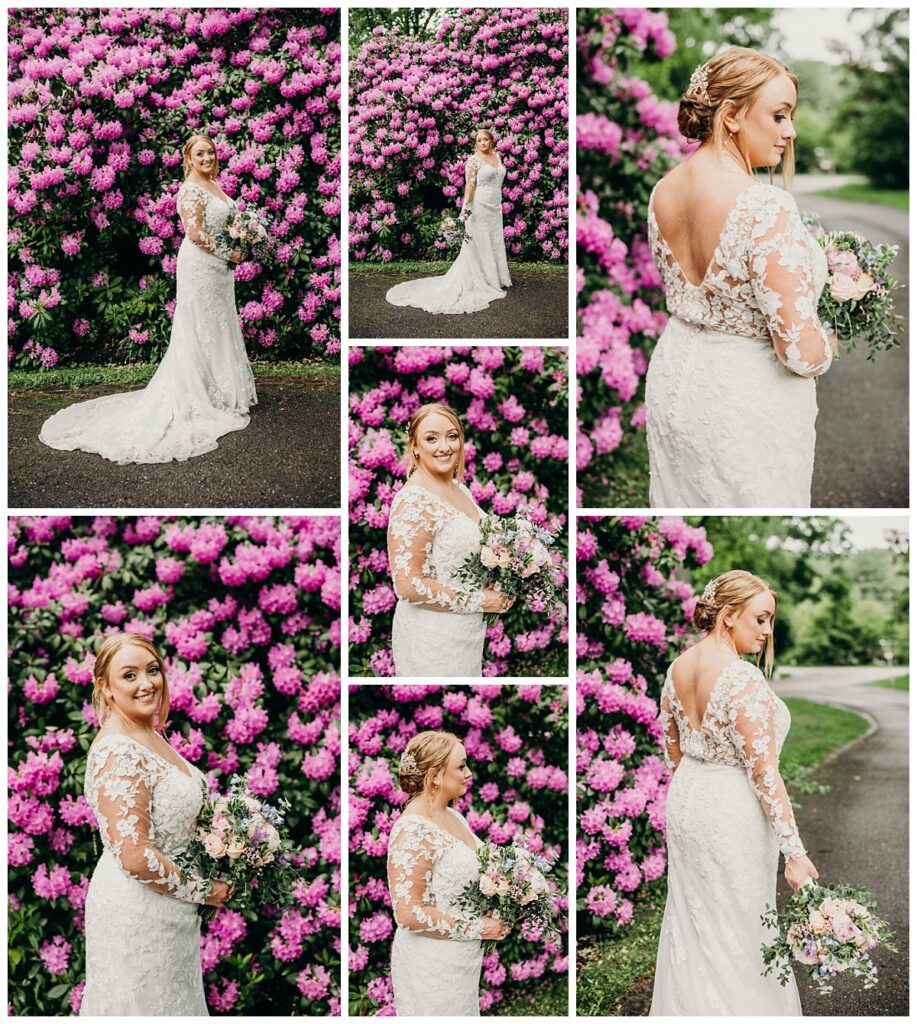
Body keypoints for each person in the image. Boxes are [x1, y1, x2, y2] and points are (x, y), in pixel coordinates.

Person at [644, 48, 837, 507]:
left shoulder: (664, 190)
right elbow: (799, 354)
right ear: (731, 114)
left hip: (676, 379)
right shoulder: (765, 205)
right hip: (746, 401)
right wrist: (827, 342)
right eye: (779, 115)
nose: (790, 132)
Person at [650, 570, 819, 1015]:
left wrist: (701, 782)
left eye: (770, 622)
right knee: (740, 921)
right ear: (728, 615)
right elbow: (765, 774)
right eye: (760, 619)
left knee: (696, 919)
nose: (766, 631)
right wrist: (794, 852)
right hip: (730, 812)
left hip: (688, 801)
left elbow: (672, 748)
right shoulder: (741, 678)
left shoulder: (678, 666)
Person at [40, 134, 257, 464]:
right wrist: (231, 251)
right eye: (200, 153)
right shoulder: (190, 189)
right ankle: (195, 396)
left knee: (220, 323)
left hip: (220, 271)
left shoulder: (216, 185)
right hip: (200, 266)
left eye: (210, 152)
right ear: (188, 158)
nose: (207, 157)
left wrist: (244, 237)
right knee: (198, 327)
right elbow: (196, 234)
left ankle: (223, 393)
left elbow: (229, 223)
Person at [80, 632, 231, 1015]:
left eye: (152, 670)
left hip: (172, 914)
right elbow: (133, 855)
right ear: (105, 687)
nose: (146, 683)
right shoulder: (118, 750)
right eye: (129, 675)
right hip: (136, 914)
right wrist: (205, 890)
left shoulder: (150, 734)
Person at [386, 731, 511, 1016]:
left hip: (462, 959)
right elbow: (407, 913)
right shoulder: (412, 830)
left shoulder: (453, 816)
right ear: (435, 776)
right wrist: (480, 927)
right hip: (431, 964)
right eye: (461, 766)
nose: (468, 773)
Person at [386, 402, 513, 677]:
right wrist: (481, 600)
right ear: (415, 446)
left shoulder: (460, 489)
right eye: (431, 438)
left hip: (466, 634)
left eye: (452, 436)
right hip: (431, 637)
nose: (445, 446)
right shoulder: (414, 501)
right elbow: (408, 585)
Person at [385, 129, 511, 314]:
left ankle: (496, 277)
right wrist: (464, 212)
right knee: (480, 243)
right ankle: (483, 280)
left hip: (495, 207)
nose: (483, 142)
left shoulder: (497, 156)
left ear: (491, 140)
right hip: (480, 206)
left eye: (485, 139)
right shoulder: (473, 161)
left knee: (494, 240)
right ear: (476, 143)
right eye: (479, 140)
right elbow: (470, 186)